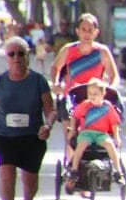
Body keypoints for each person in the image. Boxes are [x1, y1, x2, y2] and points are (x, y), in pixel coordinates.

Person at [0, 37, 56, 200]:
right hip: (4, 136)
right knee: (7, 174)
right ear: (6, 58)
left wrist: (47, 125)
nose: (16, 57)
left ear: (27, 56)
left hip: (32, 137)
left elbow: (51, 110)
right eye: (11, 54)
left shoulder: (38, 81)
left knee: (29, 179)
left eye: (20, 53)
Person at [49, 13, 119, 156]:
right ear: (77, 31)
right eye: (83, 29)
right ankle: (71, 173)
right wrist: (56, 83)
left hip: (95, 101)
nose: (87, 33)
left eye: (90, 30)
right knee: (71, 139)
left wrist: (111, 89)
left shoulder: (102, 52)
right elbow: (56, 67)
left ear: (96, 32)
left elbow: (114, 75)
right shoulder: (69, 50)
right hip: (71, 100)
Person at [66, 78, 125, 192]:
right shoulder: (84, 105)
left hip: (101, 134)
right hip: (86, 132)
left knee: (110, 145)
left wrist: (116, 136)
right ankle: (74, 170)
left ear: (103, 94)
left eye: (95, 94)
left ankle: (118, 171)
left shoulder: (108, 107)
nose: (92, 96)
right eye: (90, 94)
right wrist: (73, 129)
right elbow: (75, 116)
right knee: (81, 145)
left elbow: (114, 123)